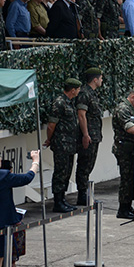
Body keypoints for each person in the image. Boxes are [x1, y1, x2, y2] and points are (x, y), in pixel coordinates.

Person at [45, 78, 82, 212]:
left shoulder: (70, 102)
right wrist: (49, 139)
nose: (78, 92)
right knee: (60, 173)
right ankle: (58, 202)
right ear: (73, 90)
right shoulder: (59, 103)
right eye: (77, 89)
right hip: (61, 144)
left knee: (67, 172)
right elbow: (51, 125)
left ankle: (63, 200)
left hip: (70, 144)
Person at [112, 87, 134, 220]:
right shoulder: (123, 109)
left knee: (132, 178)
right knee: (126, 179)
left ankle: (128, 206)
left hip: (133, 150)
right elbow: (130, 128)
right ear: (132, 97)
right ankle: (123, 209)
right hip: (124, 150)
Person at [75, 68, 103, 206]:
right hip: (89, 136)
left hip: (94, 135)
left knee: (88, 165)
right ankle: (82, 195)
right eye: (101, 78)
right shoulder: (85, 94)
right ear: (95, 79)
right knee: (84, 165)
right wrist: (85, 134)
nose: (102, 81)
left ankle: (85, 193)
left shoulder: (91, 93)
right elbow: (81, 115)